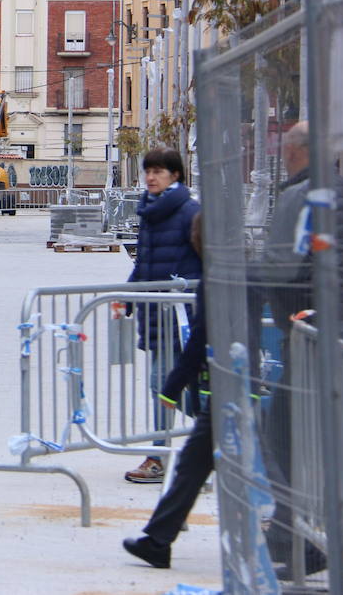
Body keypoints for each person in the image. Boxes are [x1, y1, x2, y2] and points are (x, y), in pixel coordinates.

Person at [253, 120, 343, 577]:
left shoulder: (299, 196)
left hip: (315, 332)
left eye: (286, 148)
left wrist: (240, 281)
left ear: (297, 151)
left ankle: (293, 539)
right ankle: (300, 538)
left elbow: (280, 267)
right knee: (333, 444)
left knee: (284, 438)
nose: (283, 156)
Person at [123, 213, 209, 569]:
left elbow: (200, 343)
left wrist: (171, 388)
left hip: (235, 395)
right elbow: (199, 343)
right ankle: (158, 540)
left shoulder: (219, 280)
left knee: (265, 468)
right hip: (227, 395)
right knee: (190, 466)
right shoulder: (214, 278)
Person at [124, 147, 202, 485]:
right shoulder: (151, 212)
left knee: (162, 384)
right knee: (163, 386)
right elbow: (143, 265)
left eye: (158, 171)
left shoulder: (190, 213)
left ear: (176, 175)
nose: (151, 177)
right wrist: (125, 298)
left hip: (180, 316)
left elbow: (205, 263)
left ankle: (215, 432)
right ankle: (214, 433)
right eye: (148, 171)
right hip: (154, 312)